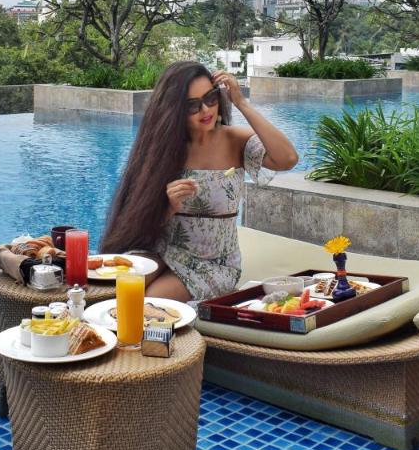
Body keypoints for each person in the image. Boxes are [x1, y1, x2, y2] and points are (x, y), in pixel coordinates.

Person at [100, 60, 299, 302]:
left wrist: (241, 102)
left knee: (151, 300)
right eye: (193, 105)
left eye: (211, 98)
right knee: (119, 289)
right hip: (162, 252)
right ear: (174, 109)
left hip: (214, 263)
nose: (205, 110)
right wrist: (168, 207)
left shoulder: (235, 140)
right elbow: (141, 222)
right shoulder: (163, 149)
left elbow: (287, 158)